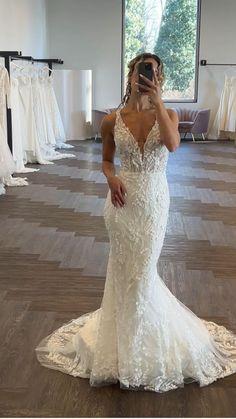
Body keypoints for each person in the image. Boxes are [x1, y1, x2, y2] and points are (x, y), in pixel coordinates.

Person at [35, 53, 236, 393]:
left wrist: (157, 102)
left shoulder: (168, 114)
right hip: (121, 204)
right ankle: (123, 343)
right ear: (129, 75)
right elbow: (105, 160)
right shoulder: (112, 120)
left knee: (143, 272)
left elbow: (173, 145)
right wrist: (110, 179)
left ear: (159, 78)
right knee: (124, 271)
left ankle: (141, 341)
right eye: (142, 71)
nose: (146, 77)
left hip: (154, 203)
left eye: (154, 73)